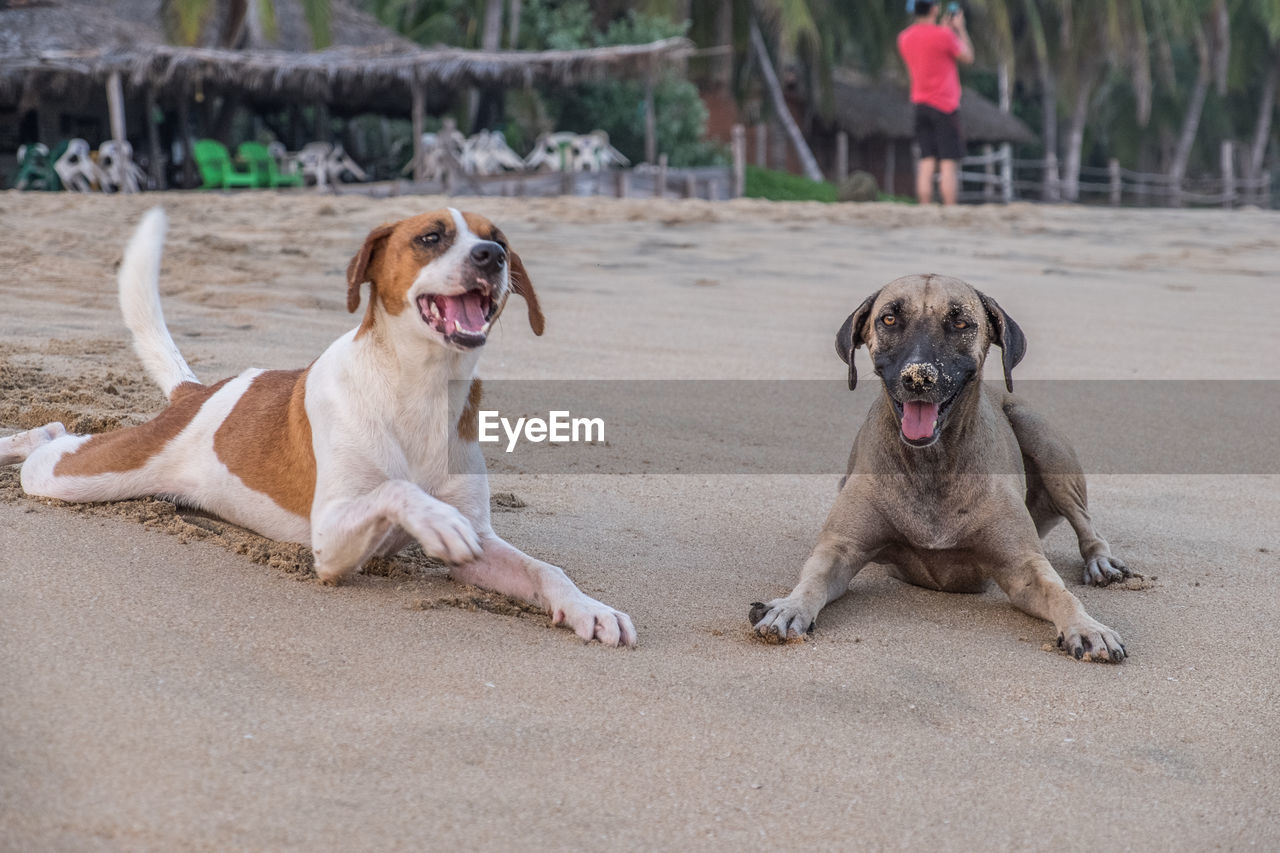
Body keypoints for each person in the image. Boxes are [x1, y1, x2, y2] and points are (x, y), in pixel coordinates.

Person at [897, 0, 974, 205]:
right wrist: (960, 29)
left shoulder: (904, 38)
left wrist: (944, 30)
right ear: (934, 9)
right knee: (948, 163)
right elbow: (967, 56)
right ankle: (950, 208)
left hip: (920, 104)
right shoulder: (945, 36)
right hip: (945, 106)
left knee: (926, 160)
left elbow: (928, 44)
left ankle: (924, 208)